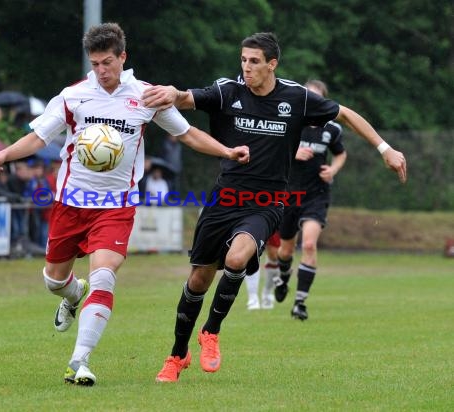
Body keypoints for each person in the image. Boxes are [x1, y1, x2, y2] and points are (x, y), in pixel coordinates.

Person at [0, 22, 249, 387]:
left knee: (105, 276)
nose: (101, 71)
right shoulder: (72, 96)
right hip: (70, 202)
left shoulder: (144, 95)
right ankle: (72, 295)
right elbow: (38, 137)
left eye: (107, 62)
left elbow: (186, 134)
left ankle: (79, 360)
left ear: (123, 57)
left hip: (116, 205)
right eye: (95, 64)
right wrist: (4, 155)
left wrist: (227, 151)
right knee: (53, 281)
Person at [142, 31, 407, 382]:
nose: (246, 68)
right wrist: (173, 93)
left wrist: (384, 149)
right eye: (243, 60)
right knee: (198, 279)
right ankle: (177, 355)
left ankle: (211, 332)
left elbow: (345, 114)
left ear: (271, 64)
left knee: (237, 259)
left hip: (267, 202)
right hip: (225, 198)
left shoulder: (296, 97)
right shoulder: (228, 91)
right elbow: (188, 98)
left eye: (254, 61)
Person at [271, 79, 347, 320]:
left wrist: (333, 170)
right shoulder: (289, 123)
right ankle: (283, 278)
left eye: (316, 98)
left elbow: (341, 154)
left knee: (310, 244)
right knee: (285, 250)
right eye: (308, 97)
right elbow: (270, 149)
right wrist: (293, 152)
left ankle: (300, 303)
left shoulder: (331, 129)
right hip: (289, 193)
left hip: (316, 194)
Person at [245, 230, 280, 310]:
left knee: (275, 255)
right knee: (252, 251)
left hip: (271, 218)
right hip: (251, 219)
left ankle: (267, 293)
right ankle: (253, 298)